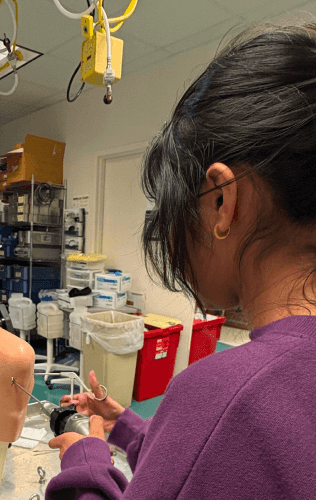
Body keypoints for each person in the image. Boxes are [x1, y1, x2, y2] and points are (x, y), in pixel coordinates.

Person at [45, 16, 316, 499]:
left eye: (171, 211)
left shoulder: (223, 393)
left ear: (221, 201)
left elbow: (219, 437)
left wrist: (83, 462)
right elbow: (215, 464)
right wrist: (124, 424)